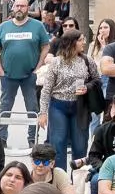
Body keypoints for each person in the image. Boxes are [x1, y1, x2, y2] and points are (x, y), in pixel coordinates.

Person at [0, 0, 51, 146]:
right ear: (13, 8)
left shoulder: (37, 26)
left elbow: (46, 46)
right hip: (8, 75)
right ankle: (2, 138)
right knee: (5, 107)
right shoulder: (3, 27)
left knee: (32, 108)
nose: (19, 8)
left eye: (23, 6)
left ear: (28, 8)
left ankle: (32, 139)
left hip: (29, 75)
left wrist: (38, 67)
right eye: (17, 6)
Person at [34, 30, 92, 171]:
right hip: (58, 106)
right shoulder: (56, 62)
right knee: (58, 145)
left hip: (79, 106)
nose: (84, 43)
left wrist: (87, 87)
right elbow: (46, 89)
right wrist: (43, 113)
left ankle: (78, 179)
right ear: (71, 43)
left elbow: (96, 80)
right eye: (81, 40)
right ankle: (61, 179)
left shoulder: (87, 60)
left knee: (80, 146)